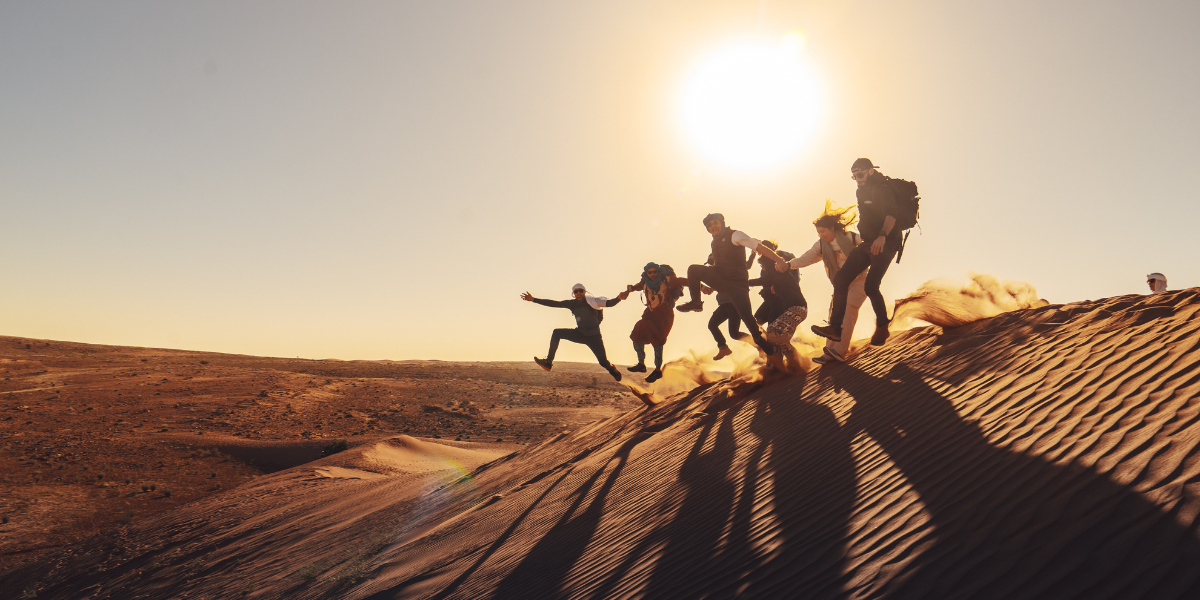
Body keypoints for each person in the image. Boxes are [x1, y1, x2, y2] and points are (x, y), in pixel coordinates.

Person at [809, 158, 902, 347]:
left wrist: (882, 236)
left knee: (871, 286)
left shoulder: (883, 188)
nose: (857, 179)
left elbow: (891, 215)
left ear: (870, 171)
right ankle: (835, 328)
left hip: (886, 243)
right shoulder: (861, 191)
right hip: (868, 242)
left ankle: (883, 325)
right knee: (841, 280)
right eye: (854, 176)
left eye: (860, 174)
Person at [677, 213, 789, 356]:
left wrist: (778, 259)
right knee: (693, 269)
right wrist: (706, 284)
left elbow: (758, 247)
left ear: (722, 222)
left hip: (737, 285)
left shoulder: (735, 235)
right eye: (709, 225)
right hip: (721, 278)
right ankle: (696, 302)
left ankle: (766, 348)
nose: (712, 226)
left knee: (747, 317)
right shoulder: (714, 242)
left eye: (715, 222)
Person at [783, 201, 866, 364]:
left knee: (849, 310)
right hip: (840, 284)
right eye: (818, 232)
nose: (821, 234)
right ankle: (829, 353)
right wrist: (788, 265)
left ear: (832, 229)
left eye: (823, 231)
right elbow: (806, 258)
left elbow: (867, 244)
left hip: (860, 279)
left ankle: (840, 351)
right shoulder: (821, 245)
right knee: (833, 315)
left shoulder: (850, 237)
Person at [521, 284, 629, 381]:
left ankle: (612, 369)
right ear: (573, 294)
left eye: (580, 291)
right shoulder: (572, 304)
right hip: (580, 334)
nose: (578, 293)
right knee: (556, 333)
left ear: (584, 292)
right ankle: (548, 362)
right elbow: (554, 303)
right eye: (575, 291)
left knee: (603, 362)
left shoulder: (593, 302)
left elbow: (609, 303)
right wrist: (534, 299)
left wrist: (619, 298)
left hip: (594, 338)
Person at [625, 263, 688, 383]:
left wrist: (701, 287)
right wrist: (628, 291)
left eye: (655, 272)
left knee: (657, 339)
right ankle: (641, 364)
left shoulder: (668, 280)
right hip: (650, 312)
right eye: (650, 272)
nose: (653, 274)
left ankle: (658, 370)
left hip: (664, 313)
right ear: (646, 273)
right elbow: (637, 287)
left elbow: (684, 281)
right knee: (638, 331)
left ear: (659, 272)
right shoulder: (645, 281)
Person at [749, 240, 808, 366]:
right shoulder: (772, 273)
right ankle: (789, 361)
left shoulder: (778, 270)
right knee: (770, 331)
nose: (762, 269)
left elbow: (761, 280)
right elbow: (760, 280)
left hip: (795, 308)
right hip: (787, 306)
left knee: (773, 332)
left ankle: (789, 360)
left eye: (763, 266)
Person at [705, 252, 755, 361]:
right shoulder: (716, 274)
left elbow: (747, 266)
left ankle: (758, 344)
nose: (711, 264)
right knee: (712, 325)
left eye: (712, 260)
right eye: (709, 262)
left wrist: (752, 254)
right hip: (724, 305)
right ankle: (723, 347)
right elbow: (716, 285)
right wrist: (709, 289)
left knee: (734, 334)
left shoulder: (727, 269)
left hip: (733, 304)